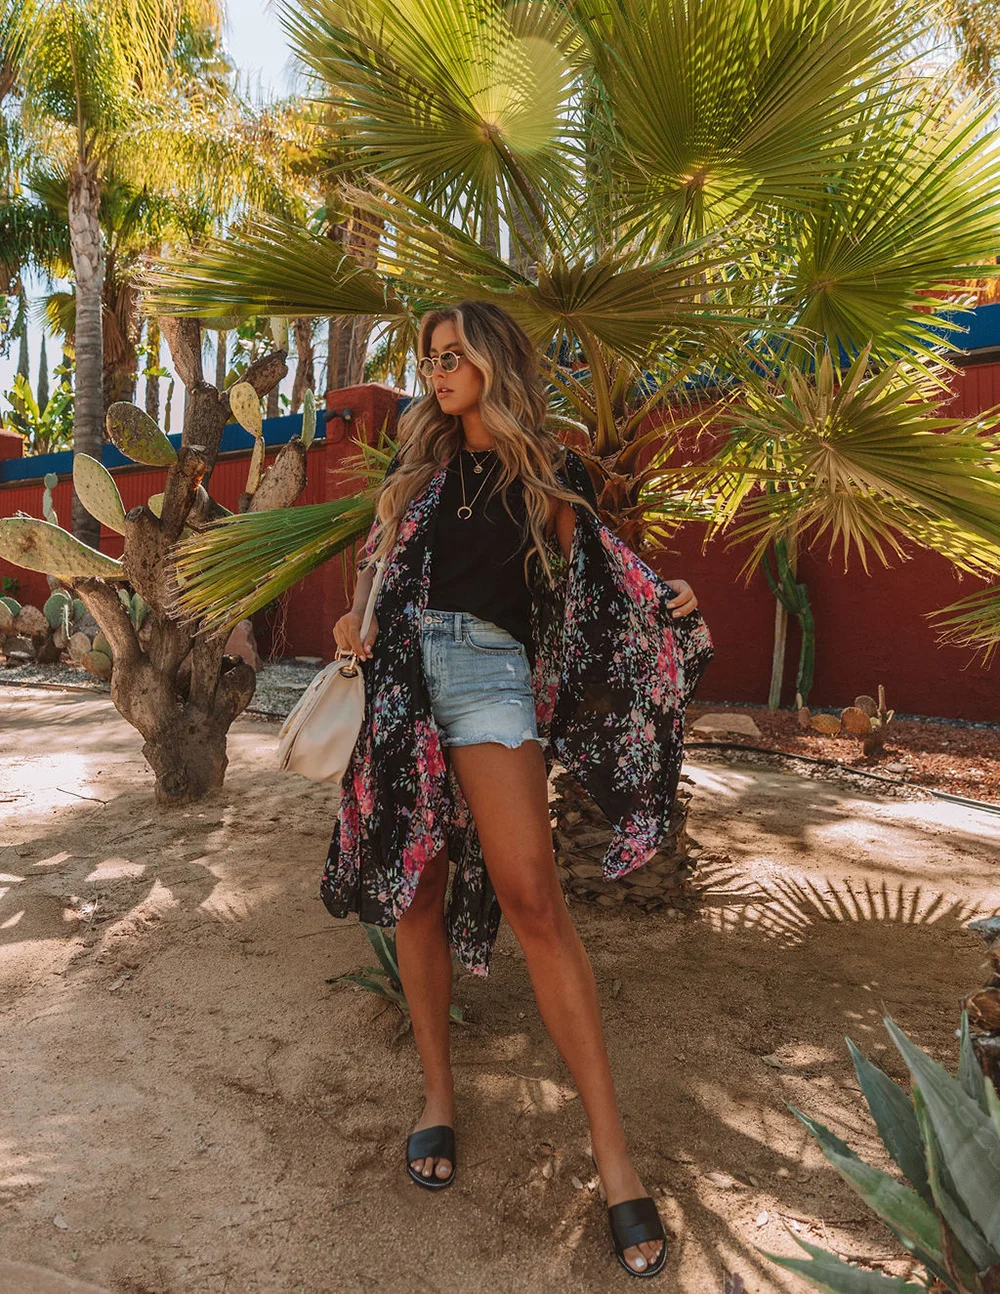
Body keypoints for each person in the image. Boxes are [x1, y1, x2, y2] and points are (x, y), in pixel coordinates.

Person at [326, 301, 713, 1278]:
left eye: (454, 355)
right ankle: (439, 1097)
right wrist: (351, 624)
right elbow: (373, 577)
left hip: (491, 676)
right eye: (430, 358)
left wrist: (665, 602)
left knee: (533, 897)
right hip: (403, 676)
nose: (437, 371)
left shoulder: (548, 470)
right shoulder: (416, 474)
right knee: (417, 886)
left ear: (494, 362)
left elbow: (601, 580)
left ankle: (614, 1160)